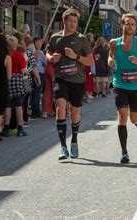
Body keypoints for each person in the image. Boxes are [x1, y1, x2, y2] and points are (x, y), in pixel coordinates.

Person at [47, 8, 93, 160]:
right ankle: (63, 147)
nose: (72, 24)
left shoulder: (81, 38)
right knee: (60, 108)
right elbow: (48, 52)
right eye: (70, 21)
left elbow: (90, 60)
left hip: (77, 81)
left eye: (75, 22)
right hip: (61, 79)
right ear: (64, 21)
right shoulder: (55, 37)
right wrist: (51, 58)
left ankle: (74, 140)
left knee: (74, 113)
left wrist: (76, 56)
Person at [108, 14, 137, 163]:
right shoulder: (114, 43)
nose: (130, 26)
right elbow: (110, 56)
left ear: (135, 28)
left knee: (133, 119)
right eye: (127, 24)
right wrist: (110, 61)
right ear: (122, 25)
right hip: (120, 84)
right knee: (122, 117)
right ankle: (124, 151)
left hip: (136, 86)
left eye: (133, 24)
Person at [2, 36, 28, 137]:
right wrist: (26, 71)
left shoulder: (4, 55)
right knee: (18, 106)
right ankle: (20, 129)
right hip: (17, 81)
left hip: (6, 81)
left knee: (7, 106)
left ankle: (6, 128)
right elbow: (23, 70)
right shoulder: (18, 55)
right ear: (16, 45)